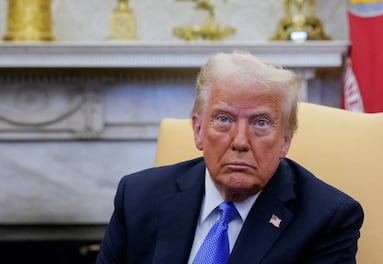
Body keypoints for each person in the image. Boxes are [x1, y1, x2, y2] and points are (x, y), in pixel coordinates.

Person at [96, 51, 364, 264]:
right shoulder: (137, 197)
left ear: (285, 140)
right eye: (224, 119)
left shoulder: (327, 218)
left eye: (260, 123)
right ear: (198, 130)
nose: (239, 141)